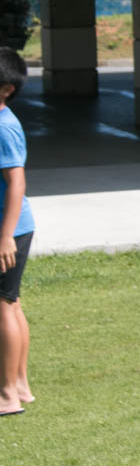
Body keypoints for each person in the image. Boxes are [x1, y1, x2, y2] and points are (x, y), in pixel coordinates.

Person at [0, 47, 35, 418]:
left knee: (3, 307)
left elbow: (16, 183)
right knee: (11, 303)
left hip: (9, 231)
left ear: (6, 89)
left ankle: (7, 395)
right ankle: (20, 386)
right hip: (13, 230)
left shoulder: (3, 127)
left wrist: (5, 236)